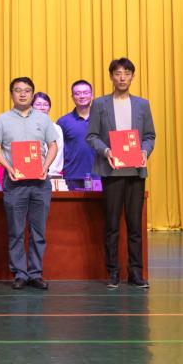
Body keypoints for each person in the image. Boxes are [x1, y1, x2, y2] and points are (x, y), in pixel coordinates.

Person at [86, 58, 157, 290]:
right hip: (112, 171)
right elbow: (92, 136)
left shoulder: (142, 105)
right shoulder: (100, 104)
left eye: (127, 73)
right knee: (112, 225)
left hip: (136, 171)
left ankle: (135, 272)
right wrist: (106, 151)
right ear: (111, 77)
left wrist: (144, 151)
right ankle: (113, 272)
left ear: (133, 77)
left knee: (135, 225)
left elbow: (149, 136)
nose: (122, 77)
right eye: (117, 73)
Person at [0, 77, 58, 291]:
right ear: (11, 94)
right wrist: (8, 167)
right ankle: (19, 273)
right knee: (16, 231)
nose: (22, 94)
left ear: (32, 94)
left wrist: (45, 166)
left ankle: (36, 273)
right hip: (15, 183)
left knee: (39, 231)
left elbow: (53, 146)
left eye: (27, 90)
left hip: (40, 183)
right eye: (18, 90)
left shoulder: (43, 119)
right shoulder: (2, 120)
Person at [57, 80, 98, 189]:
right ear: (72, 97)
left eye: (85, 92)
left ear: (92, 95)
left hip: (99, 176)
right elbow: (57, 150)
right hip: (72, 176)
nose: (82, 96)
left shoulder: (102, 119)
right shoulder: (63, 122)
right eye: (77, 93)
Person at [32, 92, 65, 178]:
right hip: (30, 173)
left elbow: (58, 152)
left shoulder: (56, 128)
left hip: (51, 173)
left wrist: (49, 170)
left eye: (46, 105)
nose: (42, 108)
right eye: (38, 104)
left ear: (49, 108)